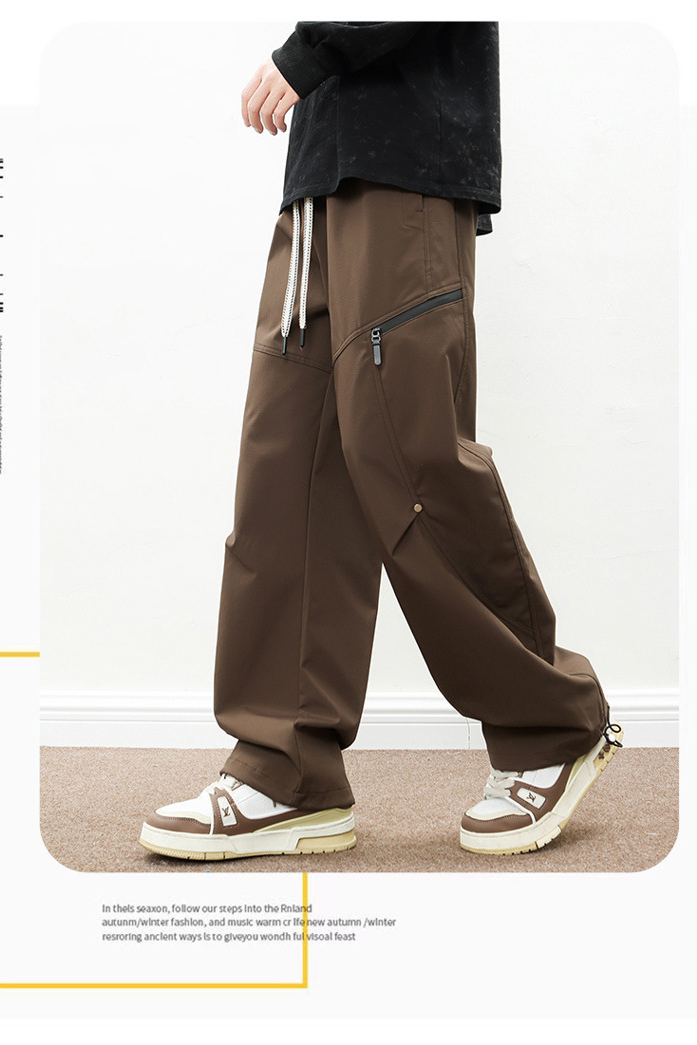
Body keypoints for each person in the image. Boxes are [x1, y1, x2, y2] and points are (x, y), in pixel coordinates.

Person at [139, 21, 622, 862]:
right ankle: (285, 769)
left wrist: (313, 48)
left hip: (407, 162)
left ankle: (550, 724)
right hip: (319, 177)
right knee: (288, 471)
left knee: (410, 457)